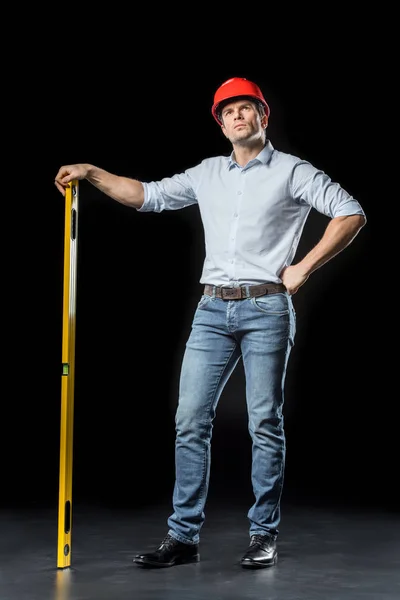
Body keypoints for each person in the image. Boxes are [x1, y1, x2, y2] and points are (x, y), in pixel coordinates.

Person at [54, 76, 366, 569]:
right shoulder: (207, 174)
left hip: (266, 308)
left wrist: (303, 267)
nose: (237, 116)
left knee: (264, 422)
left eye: (246, 108)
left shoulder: (292, 171)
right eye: (228, 111)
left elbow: (350, 213)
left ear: (264, 116)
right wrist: (92, 172)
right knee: (189, 421)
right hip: (211, 312)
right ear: (220, 124)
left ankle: (263, 535)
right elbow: (147, 196)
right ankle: (183, 538)